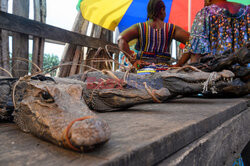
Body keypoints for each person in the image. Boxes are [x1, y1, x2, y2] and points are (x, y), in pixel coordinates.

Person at [118, 0, 190, 72]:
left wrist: (134, 61)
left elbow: (121, 39)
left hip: (143, 70)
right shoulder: (171, 29)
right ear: (162, 10)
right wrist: (179, 64)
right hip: (164, 71)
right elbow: (192, 41)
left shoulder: (140, 27)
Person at [174, 0, 249, 67]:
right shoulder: (247, 11)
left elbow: (196, 51)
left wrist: (181, 65)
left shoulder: (205, 13)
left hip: (217, 75)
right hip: (246, 73)